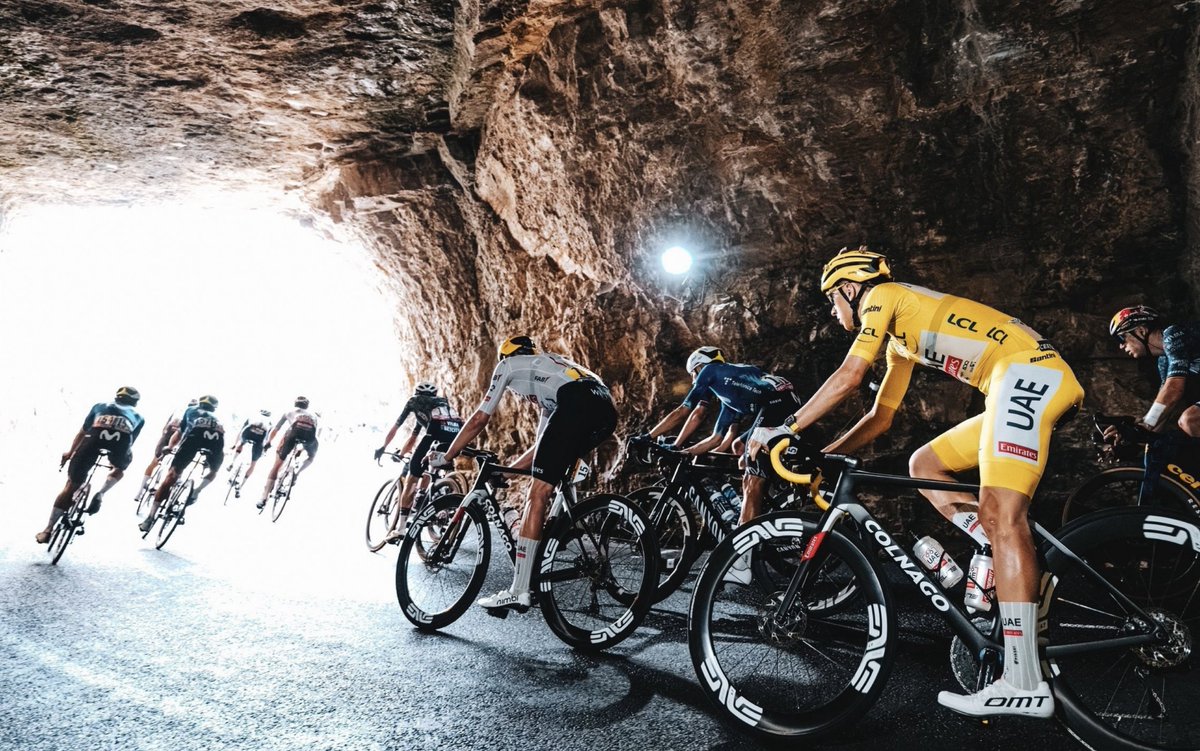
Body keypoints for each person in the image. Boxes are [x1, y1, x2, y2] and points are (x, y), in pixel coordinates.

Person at [749, 247, 1083, 719]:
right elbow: (880, 415)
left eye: (832, 300)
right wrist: (829, 456)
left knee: (1002, 514)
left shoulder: (882, 296)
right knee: (924, 464)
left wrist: (785, 429)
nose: (832, 310)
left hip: (1026, 376)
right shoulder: (899, 339)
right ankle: (1000, 552)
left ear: (848, 287)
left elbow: (849, 375)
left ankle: (1023, 680)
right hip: (1018, 381)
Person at [431, 336, 617, 611]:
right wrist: (508, 474)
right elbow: (543, 448)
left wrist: (448, 455)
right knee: (553, 473)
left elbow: (480, 419)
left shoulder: (508, 364)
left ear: (506, 356)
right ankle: (565, 526)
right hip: (604, 407)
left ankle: (519, 590)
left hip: (578, 404)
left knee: (537, 494)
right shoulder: (551, 378)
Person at [646, 346, 799, 582]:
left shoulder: (711, 371)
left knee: (751, 477)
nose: (696, 380)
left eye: (693, 375)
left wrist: (654, 439)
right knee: (740, 447)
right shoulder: (731, 393)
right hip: (780, 403)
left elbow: (689, 411)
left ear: (697, 368)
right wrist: (686, 453)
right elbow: (719, 439)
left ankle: (742, 559)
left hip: (776, 405)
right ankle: (760, 503)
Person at [36, 387, 145, 543]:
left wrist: (70, 453)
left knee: (71, 486)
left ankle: (48, 530)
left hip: (91, 442)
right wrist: (113, 461)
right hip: (120, 445)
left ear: (117, 398)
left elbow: (82, 432)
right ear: (135, 403)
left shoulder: (99, 406)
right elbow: (130, 441)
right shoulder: (139, 417)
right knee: (120, 469)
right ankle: (101, 493)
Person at [373, 382, 464, 540]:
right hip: (456, 433)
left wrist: (383, 447)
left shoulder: (413, 402)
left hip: (435, 433)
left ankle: (400, 529)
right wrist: (403, 452)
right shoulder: (439, 407)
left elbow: (396, 427)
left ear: (416, 393)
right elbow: (413, 437)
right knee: (431, 462)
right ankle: (431, 494)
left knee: (413, 475)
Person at [1108, 305, 1200, 437]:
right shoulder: (1164, 361)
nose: (1121, 346)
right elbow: (1163, 410)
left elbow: (1173, 390)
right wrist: (1131, 438)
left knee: (1191, 419)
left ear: (1141, 331)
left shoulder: (1172, 335)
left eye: (1121, 338)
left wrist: (1145, 424)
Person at [138, 395, 225, 532]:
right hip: (215, 442)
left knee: (171, 476)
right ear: (214, 408)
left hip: (193, 440)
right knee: (214, 471)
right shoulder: (218, 418)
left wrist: (170, 447)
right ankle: (196, 492)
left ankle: (150, 518)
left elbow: (180, 433)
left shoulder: (190, 410)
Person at [257, 396, 319, 509]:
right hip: (309, 438)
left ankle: (263, 497)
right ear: (307, 406)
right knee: (311, 457)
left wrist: (268, 442)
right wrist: (302, 448)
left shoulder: (288, 412)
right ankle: (296, 473)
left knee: (277, 465)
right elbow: (314, 434)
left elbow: (276, 429)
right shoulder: (314, 416)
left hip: (293, 435)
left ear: (295, 404)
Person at [137, 398, 197, 498]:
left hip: (169, 436)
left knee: (156, 461)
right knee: (177, 466)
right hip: (178, 438)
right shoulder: (193, 415)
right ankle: (171, 484)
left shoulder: (180, 411)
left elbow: (165, 428)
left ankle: (140, 492)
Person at [227, 409, 272, 495]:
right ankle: (240, 488)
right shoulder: (270, 423)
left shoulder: (252, 417)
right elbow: (267, 439)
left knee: (241, 444)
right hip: (260, 438)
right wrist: (264, 450)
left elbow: (241, 431)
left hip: (248, 432)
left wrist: (235, 444)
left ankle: (232, 463)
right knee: (253, 464)